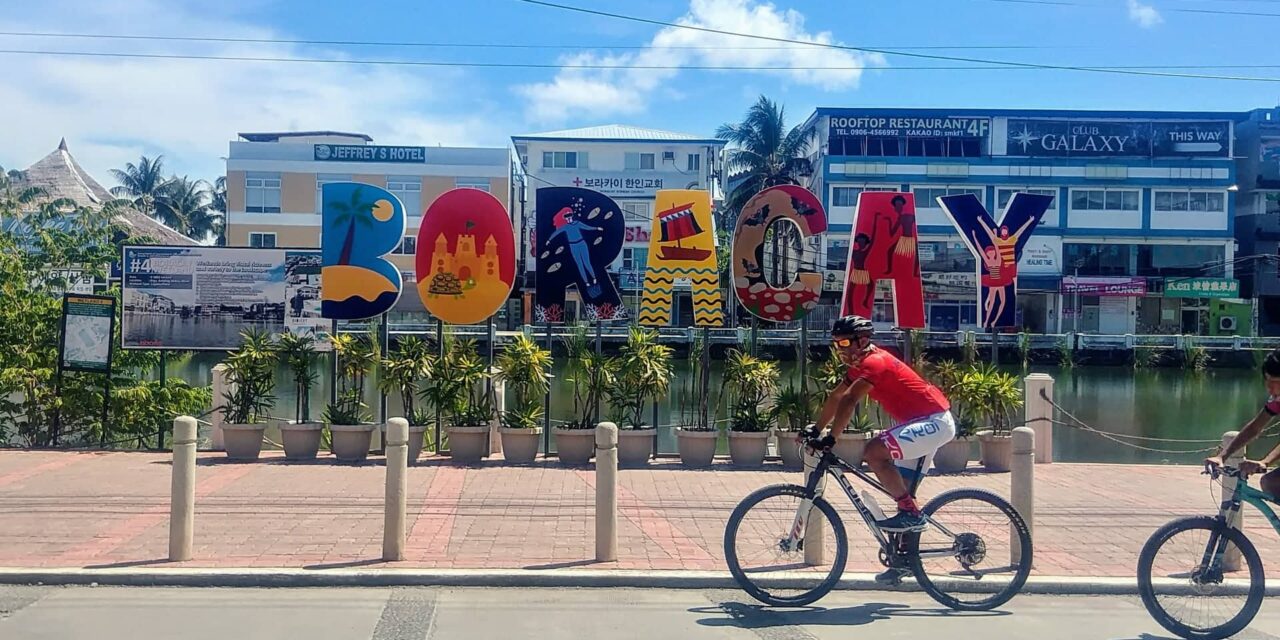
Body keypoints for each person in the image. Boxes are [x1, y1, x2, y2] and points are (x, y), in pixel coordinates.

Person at [812, 315, 956, 535]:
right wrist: (815, 429)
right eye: (836, 343)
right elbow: (836, 396)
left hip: (934, 421)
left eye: (844, 342)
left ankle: (912, 516)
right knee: (903, 493)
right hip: (922, 423)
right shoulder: (859, 367)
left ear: (862, 340)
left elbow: (849, 399)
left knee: (874, 451)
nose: (839, 349)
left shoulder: (875, 363)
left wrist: (832, 438)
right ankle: (905, 551)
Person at [1205, 348, 1280, 498]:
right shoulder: (1277, 400)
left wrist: (1266, 461)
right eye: (1267, 381)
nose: (1269, 388)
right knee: (1270, 483)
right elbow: (1254, 428)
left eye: (1275, 382)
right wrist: (1222, 457)